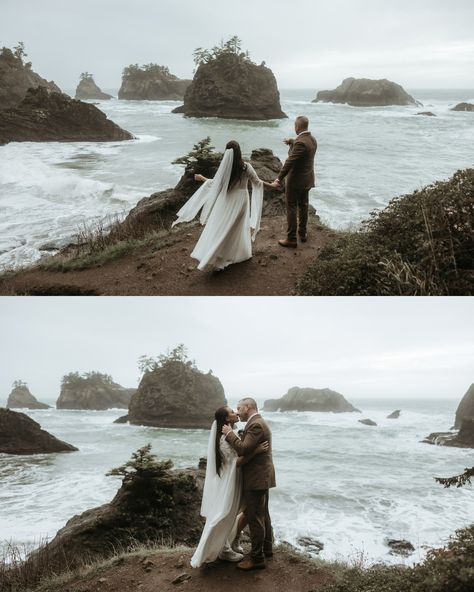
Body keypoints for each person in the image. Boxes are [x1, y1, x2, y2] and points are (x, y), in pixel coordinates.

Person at [172, 141, 270, 272]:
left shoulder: (226, 168)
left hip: (228, 200)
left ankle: (219, 255)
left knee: (224, 227)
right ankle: (233, 254)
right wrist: (272, 185)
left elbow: (216, 184)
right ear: (239, 151)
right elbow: (257, 183)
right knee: (236, 227)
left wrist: (203, 178)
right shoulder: (246, 167)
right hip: (242, 200)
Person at [190, 406, 268, 568]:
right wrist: (257, 451)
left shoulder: (229, 433)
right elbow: (236, 462)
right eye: (233, 412)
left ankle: (231, 542)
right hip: (231, 481)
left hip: (236, 479)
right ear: (227, 419)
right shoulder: (225, 437)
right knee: (223, 513)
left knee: (242, 511)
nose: (236, 413)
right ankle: (221, 549)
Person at [223, 398, 276, 571]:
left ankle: (257, 559)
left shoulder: (256, 425)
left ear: (248, 407)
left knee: (255, 518)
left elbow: (243, 449)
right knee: (263, 514)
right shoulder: (257, 423)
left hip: (256, 478)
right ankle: (267, 549)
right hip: (261, 477)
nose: (237, 412)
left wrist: (229, 434)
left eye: (239, 408)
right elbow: (250, 449)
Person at [269, 115, 317, 248]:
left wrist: (279, 178)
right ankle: (302, 233)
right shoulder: (312, 139)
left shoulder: (301, 143)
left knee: (291, 207)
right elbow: (302, 147)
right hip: (307, 179)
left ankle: (291, 239)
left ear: (297, 127)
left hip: (296, 181)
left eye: (295, 125)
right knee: (304, 206)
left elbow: (290, 161)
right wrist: (291, 141)